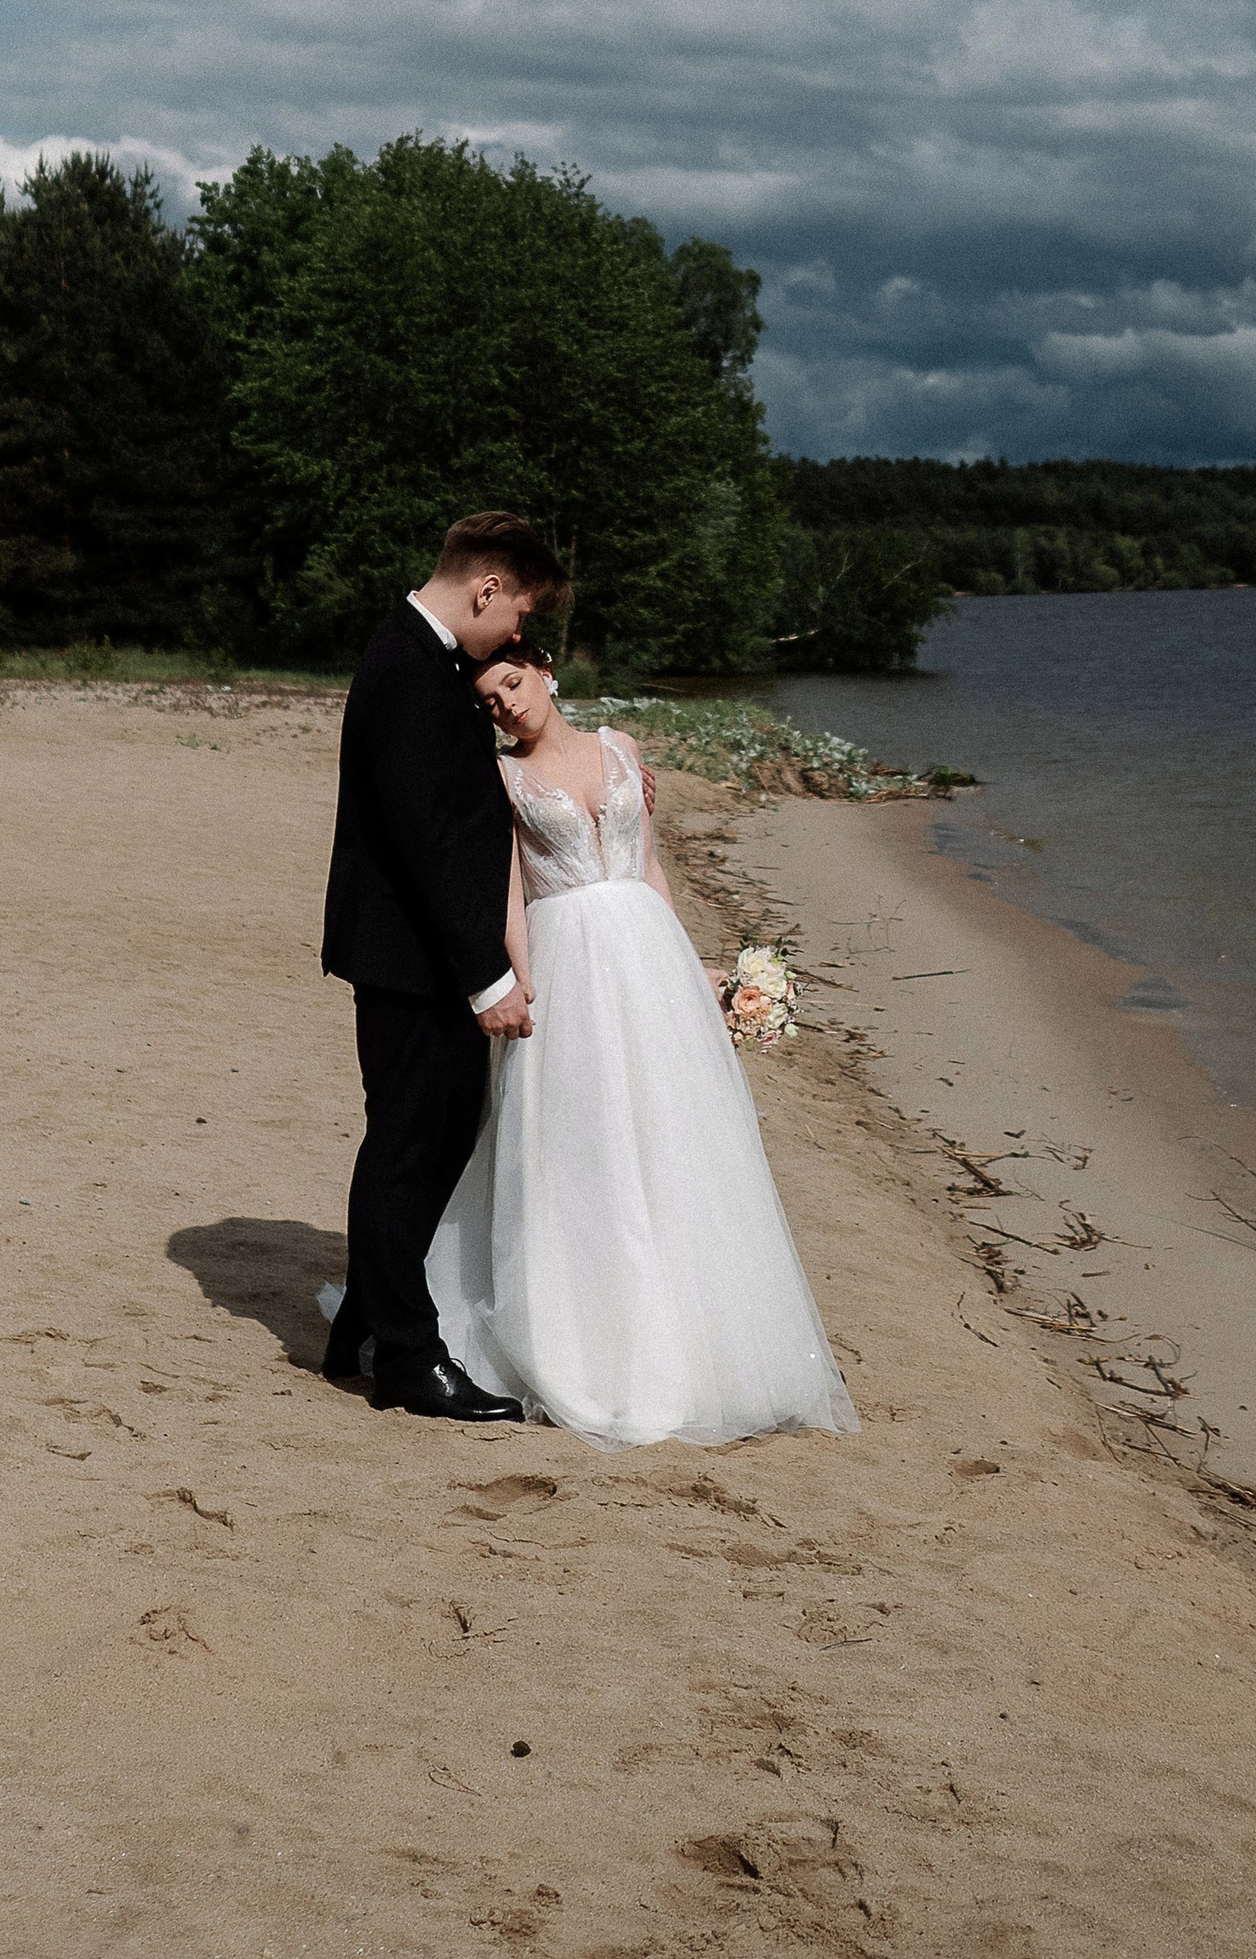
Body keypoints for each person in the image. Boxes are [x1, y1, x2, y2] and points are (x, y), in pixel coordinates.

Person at [425, 641, 858, 1448]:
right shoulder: (500, 776)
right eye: (490, 700)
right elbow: (509, 890)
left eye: (514, 684)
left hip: (648, 957)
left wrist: (695, 967)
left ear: (547, 672)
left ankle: (701, 1342)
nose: (507, 705)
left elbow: (650, 866)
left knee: (676, 1140)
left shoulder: (622, 747)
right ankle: (596, 1344)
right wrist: (519, 985)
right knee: (587, 1152)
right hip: (568, 967)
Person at [317, 511, 571, 1421]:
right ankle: (410, 1361)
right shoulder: (409, 673)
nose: (512, 638)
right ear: (485, 587)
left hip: (405, 952)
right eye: (515, 617)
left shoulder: (418, 658)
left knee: (417, 1139)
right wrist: (487, 976)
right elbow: (431, 842)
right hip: (415, 958)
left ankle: (362, 1323)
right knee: (412, 1147)